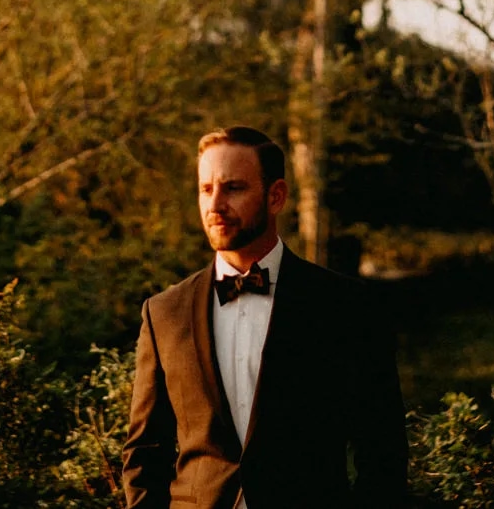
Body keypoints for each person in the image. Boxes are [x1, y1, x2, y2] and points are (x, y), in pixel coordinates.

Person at [123, 126, 406, 509]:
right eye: (206, 189)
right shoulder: (163, 313)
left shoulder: (347, 307)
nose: (215, 205)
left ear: (276, 196)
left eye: (233, 188)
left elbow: (382, 449)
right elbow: (145, 451)